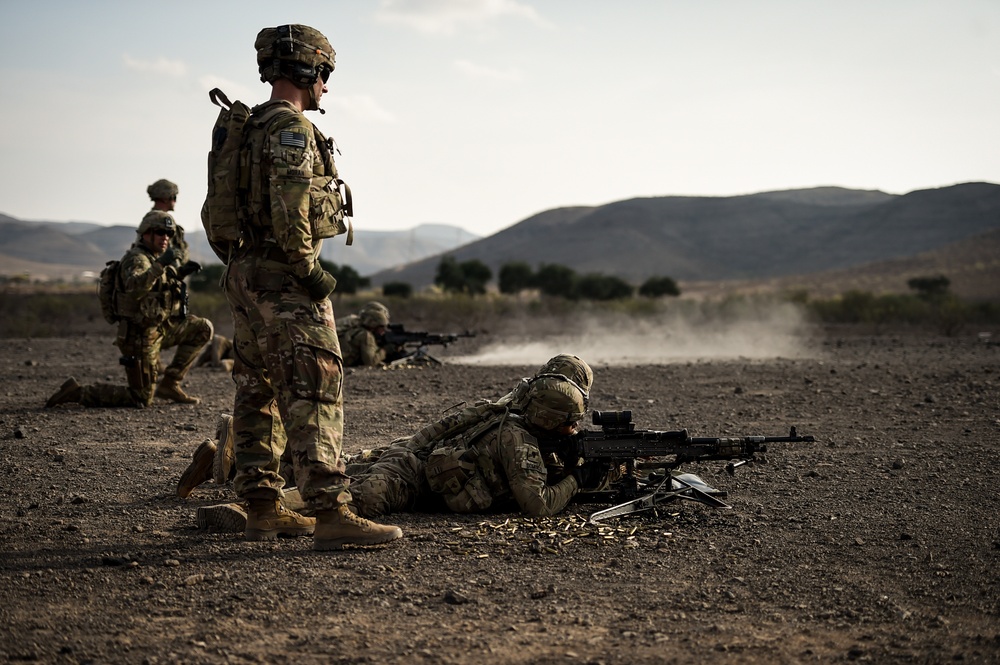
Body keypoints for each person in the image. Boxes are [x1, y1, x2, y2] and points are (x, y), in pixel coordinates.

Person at [217, 24, 401, 549]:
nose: (326, 85)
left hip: (244, 272)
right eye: (324, 74)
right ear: (306, 70)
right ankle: (332, 514)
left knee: (257, 392)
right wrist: (309, 271)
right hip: (284, 279)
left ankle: (261, 506)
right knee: (315, 389)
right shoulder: (291, 130)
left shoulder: (247, 128)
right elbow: (291, 208)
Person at [345, 355, 611, 519]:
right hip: (409, 477)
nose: (575, 426)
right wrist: (577, 480)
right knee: (347, 499)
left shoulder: (518, 406)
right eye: (571, 421)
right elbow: (537, 506)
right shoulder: (518, 439)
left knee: (340, 469)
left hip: (416, 455)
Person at [46, 211, 212, 408]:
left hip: (160, 328)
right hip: (139, 336)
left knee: (202, 328)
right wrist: (161, 264)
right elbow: (135, 288)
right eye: (159, 232)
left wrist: (178, 273)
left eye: (169, 233)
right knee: (140, 398)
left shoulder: (153, 258)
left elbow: (158, 287)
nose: (165, 238)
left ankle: (170, 384)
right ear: (145, 234)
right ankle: (78, 392)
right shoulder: (137, 259)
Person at [147, 178, 191, 266]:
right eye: (174, 197)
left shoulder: (152, 219)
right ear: (165, 199)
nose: (175, 201)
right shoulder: (160, 221)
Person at [337, 301, 394, 367]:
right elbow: (371, 362)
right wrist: (385, 351)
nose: (384, 330)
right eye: (382, 326)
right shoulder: (366, 335)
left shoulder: (350, 321)